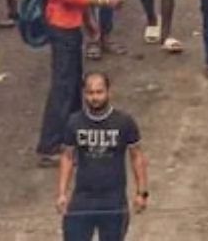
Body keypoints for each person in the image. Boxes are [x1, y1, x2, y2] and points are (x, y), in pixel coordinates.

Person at [38, 0, 123, 166]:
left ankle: (71, 139)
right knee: (64, 87)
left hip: (69, 23)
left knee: (72, 84)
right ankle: (50, 146)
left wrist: (88, 22)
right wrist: (102, 3)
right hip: (63, 25)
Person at [56, 72, 147, 240]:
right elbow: (67, 157)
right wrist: (62, 193)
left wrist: (142, 193)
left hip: (114, 199)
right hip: (83, 197)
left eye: (99, 92)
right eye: (90, 93)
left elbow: (137, 156)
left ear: (108, 92)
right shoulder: (74, 122)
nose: (95, 97)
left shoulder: (124, 122)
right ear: (84, 94)